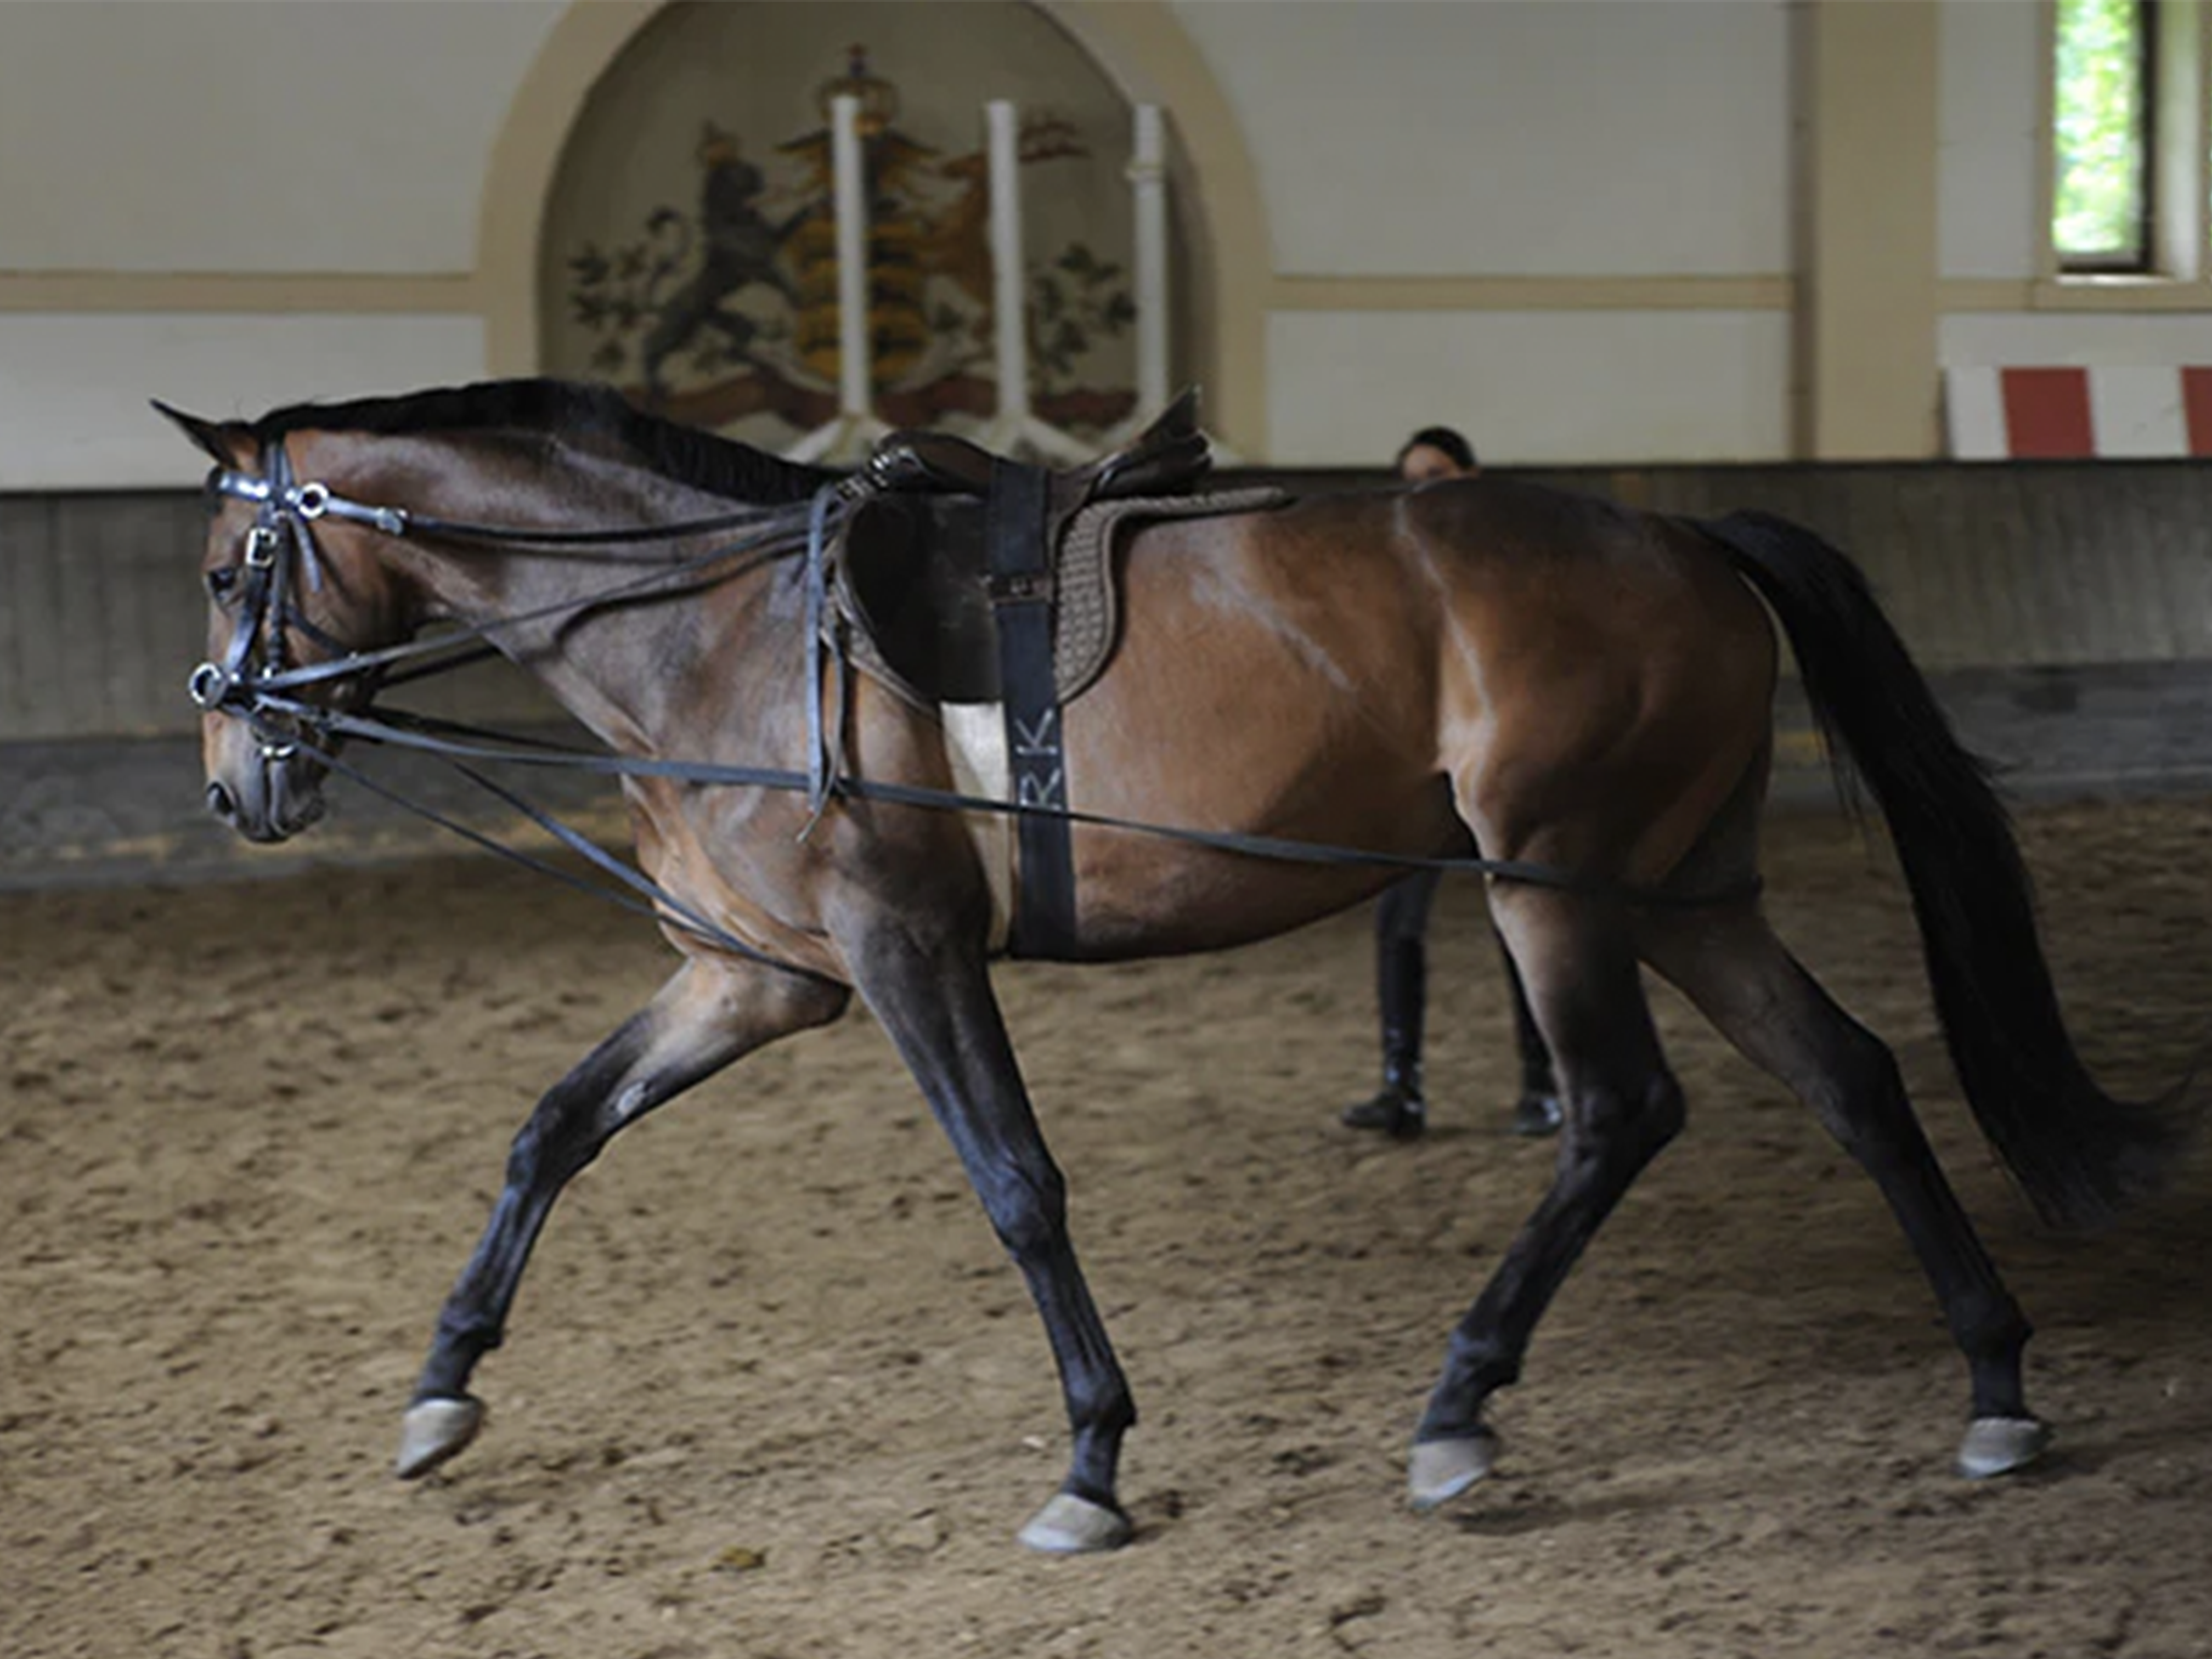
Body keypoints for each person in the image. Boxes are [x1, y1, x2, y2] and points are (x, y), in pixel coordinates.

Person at [1339, 426, 1564, 1141]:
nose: (1420, 490)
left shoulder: (1513, 562)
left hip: (1498, 766)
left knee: (1521, 924)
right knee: (1397, 924)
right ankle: (1400, 1087)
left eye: (1434, 474)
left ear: (1470, 476)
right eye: (1409, 478)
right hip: (1425, 772)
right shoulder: (1400, 569)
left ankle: (1543, 1083)